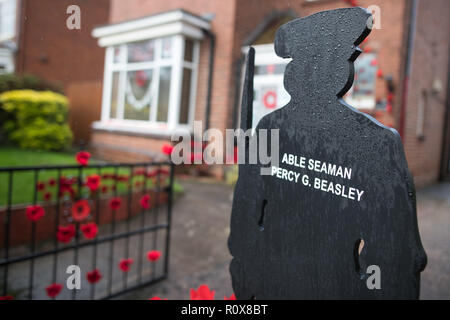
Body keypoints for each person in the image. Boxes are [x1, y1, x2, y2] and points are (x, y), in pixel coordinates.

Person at [228, 7, 427, 299]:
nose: (305, 76)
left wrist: (246, 269)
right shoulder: (270, 127)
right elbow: (246, 214)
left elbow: (394, 256)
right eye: (302, 67)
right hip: (276, 281)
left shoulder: (375, 144)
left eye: (314, 66)